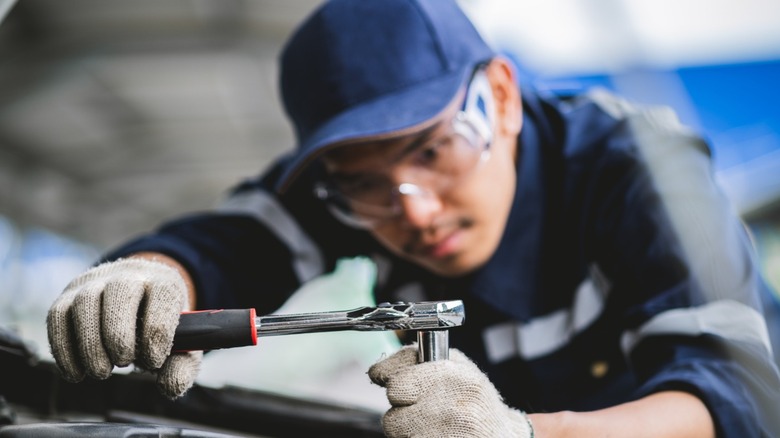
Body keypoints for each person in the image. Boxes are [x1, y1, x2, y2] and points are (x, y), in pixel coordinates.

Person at [46, 0, 780, 436]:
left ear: (501, 94)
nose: (414, 211)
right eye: (364, 184)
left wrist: (523, 433)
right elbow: (235, 240)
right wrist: (152, 275)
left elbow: (734, 395)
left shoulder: (639, 169)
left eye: (434, 149)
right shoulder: (347, 184)